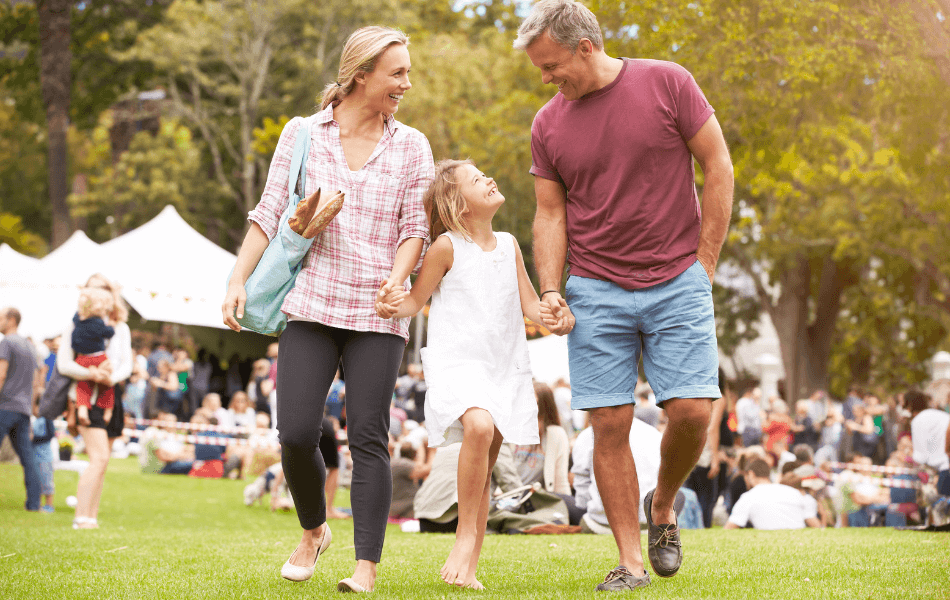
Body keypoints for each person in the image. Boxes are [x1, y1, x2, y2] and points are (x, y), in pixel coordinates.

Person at [515, 0, 733, 590]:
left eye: (551, 64)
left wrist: (705, 262)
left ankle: (662, 505)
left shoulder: (668, 82)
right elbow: (549, 213)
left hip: (676, 279)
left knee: (691, 412)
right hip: (594, 287)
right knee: (608, 423)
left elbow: (717, 164)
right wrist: (552, 290)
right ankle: (630, 562)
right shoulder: (548, 123)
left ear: (586, 46)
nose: (546, 77)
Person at [222, 26, 435, 593]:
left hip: (378, 312)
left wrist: (397, 281)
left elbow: (415, 228)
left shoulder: (412, 145)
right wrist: (237, 278)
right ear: (361, 74)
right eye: (397, 74)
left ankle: (365, 568)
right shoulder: (302, 134)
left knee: (368, 434)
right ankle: (315, 530)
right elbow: (269, 212)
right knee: (294, 432)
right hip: (312, 301)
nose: (406, 84)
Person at [376, 158, 569, 589]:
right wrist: (392, 302)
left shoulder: (509, 245)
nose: (490, 178)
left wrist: (555, 314)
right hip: (459, 360)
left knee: (486, 459)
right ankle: (464, 538)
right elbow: (414, 301)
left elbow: (531, 306)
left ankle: (470, 567)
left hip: (503, 363)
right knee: (478, 428)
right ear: (457, 203)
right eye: (477, 179)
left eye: (486, 173)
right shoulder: (445, 247)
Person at [55, 274, 134, 529]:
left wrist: (111, 378)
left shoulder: (120, 327)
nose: (97, 293)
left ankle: (91, 516)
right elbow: (64, 364)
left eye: (102, 289)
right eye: (91, 288)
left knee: (103, 461)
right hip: (86, 397)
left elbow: (126, 364)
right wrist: (91, 374)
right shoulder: (76, 324)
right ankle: (81, 516)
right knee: (98, 458)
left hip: (112, 396)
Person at [0, 307, 42, 512]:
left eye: (1, 318)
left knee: (26, 456)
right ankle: (34, 503)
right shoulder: (28, 345)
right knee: (27, 458)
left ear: (11, 320)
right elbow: (36, 381)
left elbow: (1, 373)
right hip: (23, 409)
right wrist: (32, 407)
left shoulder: (7, 342)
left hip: (5, 405)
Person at [724, 458, 822, 530]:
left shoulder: (748, 497)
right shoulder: (793, 492)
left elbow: (730, 526)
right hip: (799, 541)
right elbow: (814, 523)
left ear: (751, 474)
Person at [71, 287, 116, 427]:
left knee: (83, 386)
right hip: (98, 357)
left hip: (82, 359)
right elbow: (108, 333)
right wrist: (112, 327)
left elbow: (75, 317)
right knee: (107, 384)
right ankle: (107, 410)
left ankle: (82, 409)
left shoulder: (78, 320)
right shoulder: (98, 322)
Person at [905, 390, 950, 496]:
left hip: (944, 471)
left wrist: (908, 454)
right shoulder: (942, 415)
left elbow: (920, 457)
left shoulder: (918, 421)